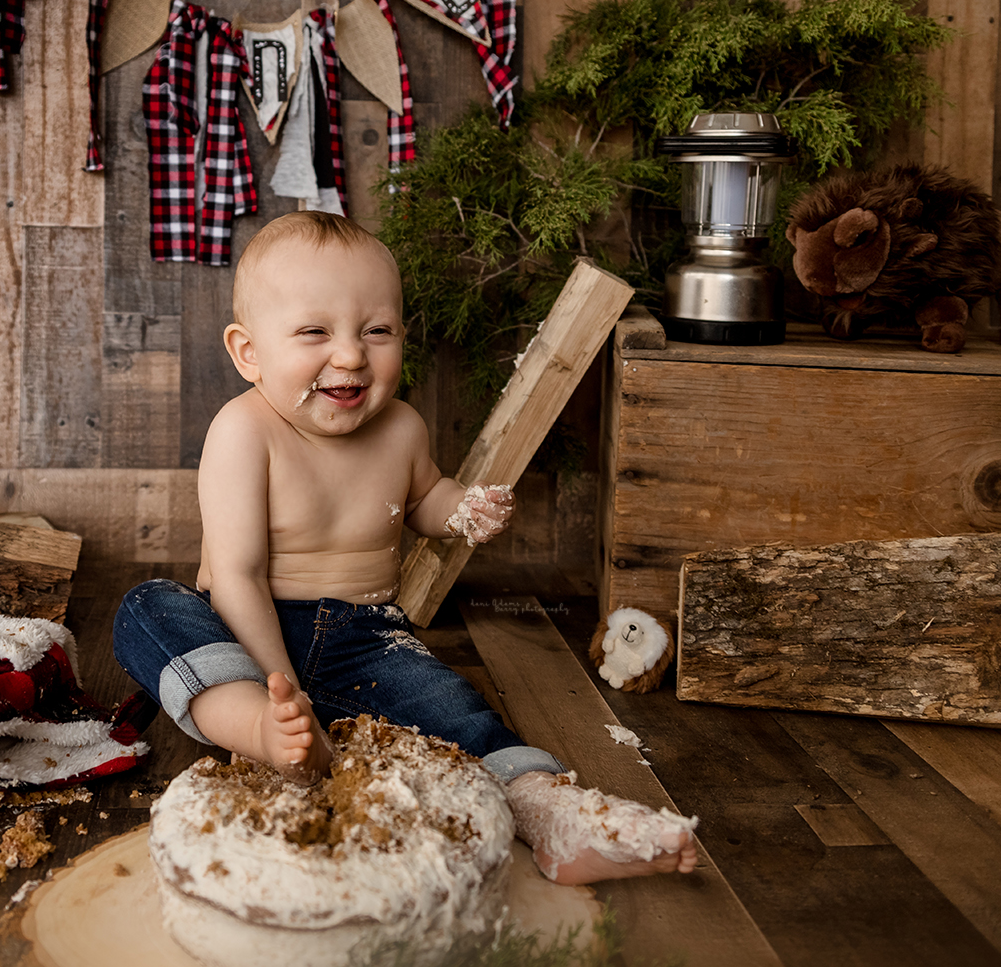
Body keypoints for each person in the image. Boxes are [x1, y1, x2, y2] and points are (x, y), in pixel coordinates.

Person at [113, 212, 698, 883]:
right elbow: (238, 575)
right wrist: (282, 689)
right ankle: (262, 730)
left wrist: (463, 511)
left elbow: (424, 501)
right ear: (249, 353)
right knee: (148, 608)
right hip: (244, 629)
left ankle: (553, 813)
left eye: (377, 331)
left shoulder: (401, 428)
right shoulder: (244, 433)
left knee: (454, 708)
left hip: (366, 637)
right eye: (314, 332)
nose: (352, 355)